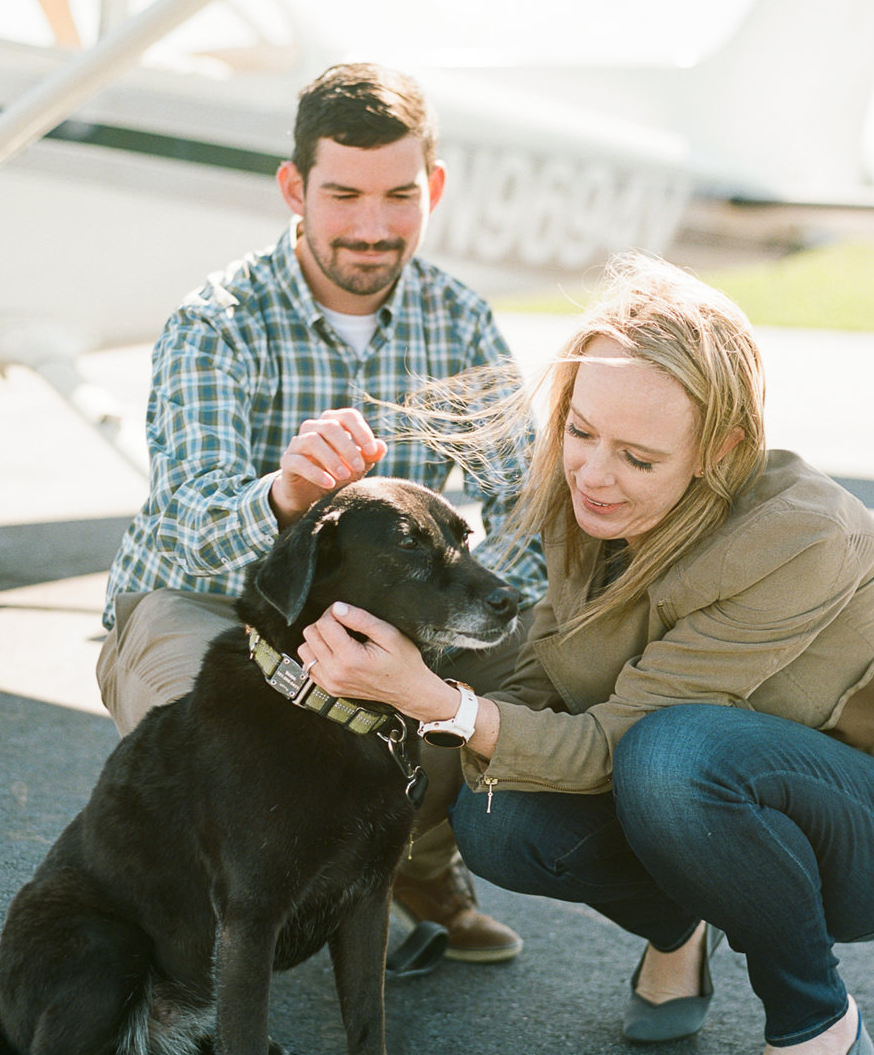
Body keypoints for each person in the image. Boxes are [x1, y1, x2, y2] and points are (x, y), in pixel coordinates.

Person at [290, 255, 874, 1055]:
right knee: (499, 814)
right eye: (581, 432)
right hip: (727, 778)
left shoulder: (801, 537)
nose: (594, 475)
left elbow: (620, 742)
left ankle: (819, 1022)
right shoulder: (582, 498)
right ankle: (678, 925)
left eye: (638, 455)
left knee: (671, 758)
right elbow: (543, 674)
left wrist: (441, 701)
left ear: (721, 451)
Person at [100, 61, 545, 962]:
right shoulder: (216, 320)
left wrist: (452, 637)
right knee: (214, 737)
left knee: (542, 655)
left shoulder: (459, 321)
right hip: (213, 604)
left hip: (386, 609)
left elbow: (528, 508)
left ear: (436, 189)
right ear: (294, 187)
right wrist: (282, 496)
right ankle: (204, 935)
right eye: (343, 195)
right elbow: (188, 524)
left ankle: (412, 856)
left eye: (399, 196)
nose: (373, 228)